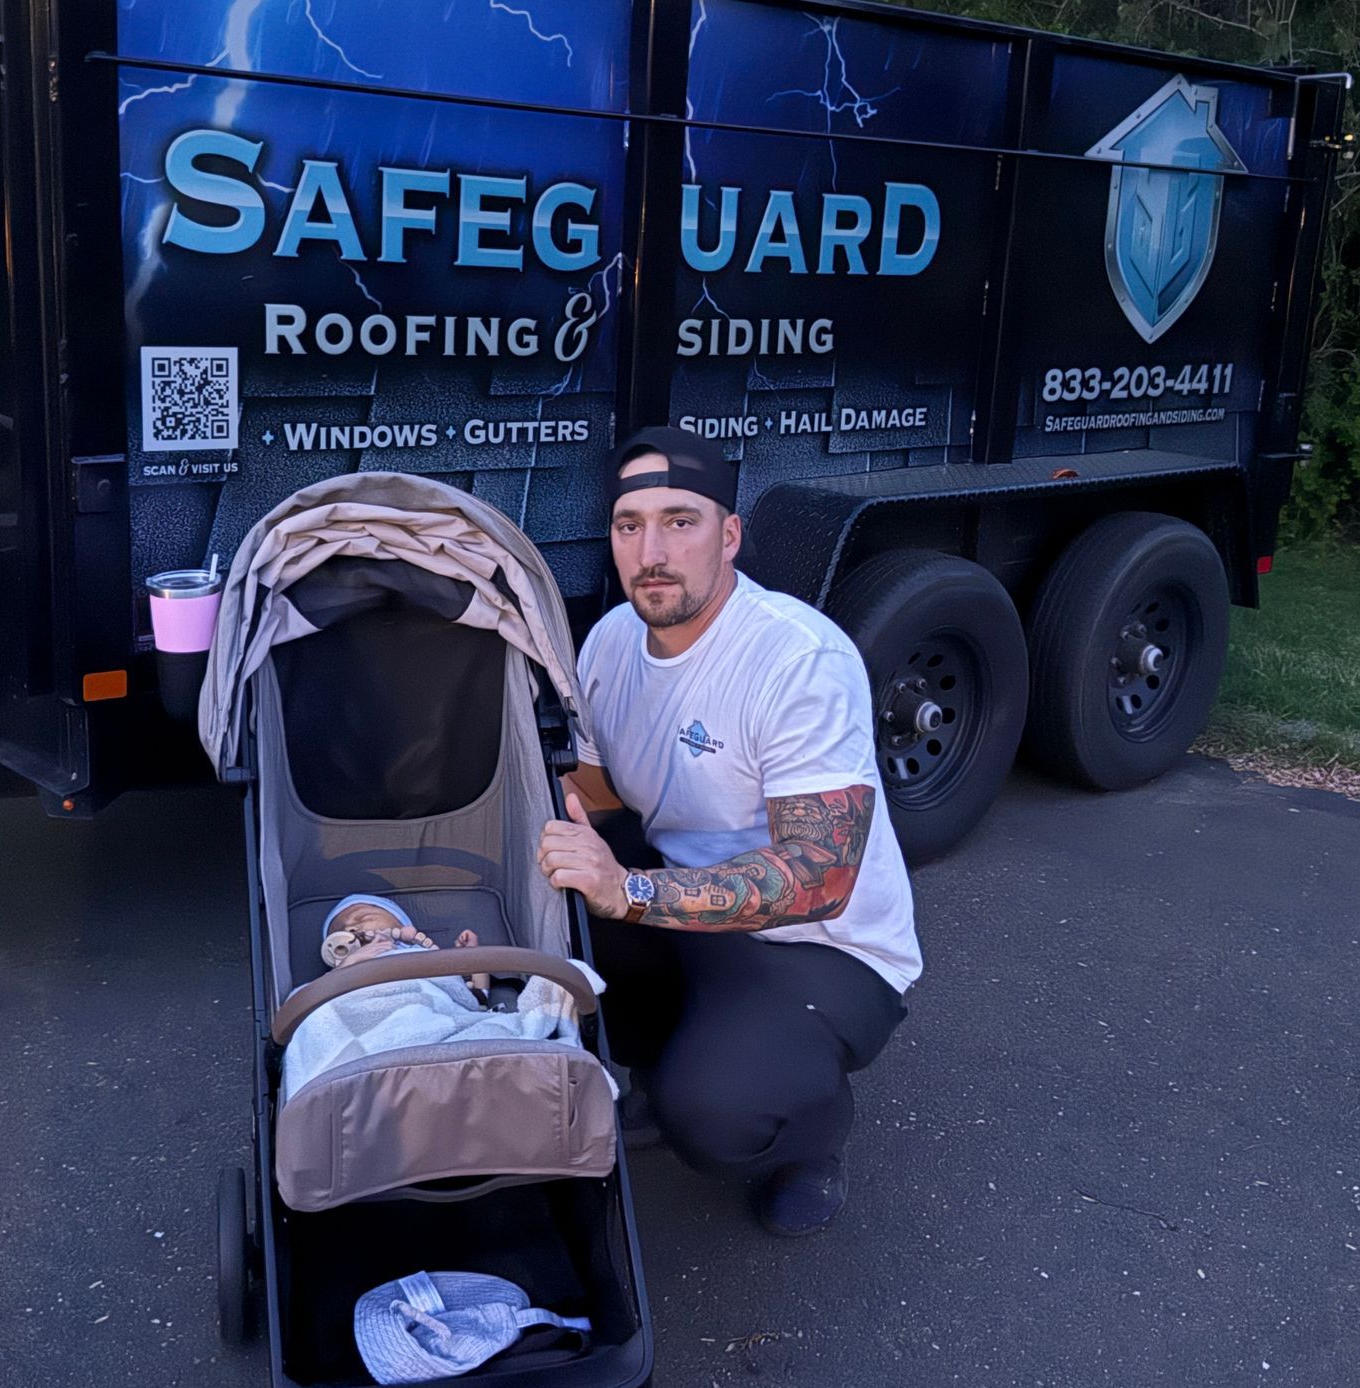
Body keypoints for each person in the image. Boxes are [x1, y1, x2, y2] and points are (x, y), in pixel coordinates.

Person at [537, 426, 920, 1236]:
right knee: (555, 886)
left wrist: (628, 889)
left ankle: (810, 1134)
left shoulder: (797, 659)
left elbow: (817, 873)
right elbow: (606, 786)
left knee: (715, 1109)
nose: (652, 551)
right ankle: (658, 1068)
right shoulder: (610, 640)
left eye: (681, 521)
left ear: (730, 535)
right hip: (692, 905)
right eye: (629, 525)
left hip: (827, 948)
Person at [282, 894, 593, 1096]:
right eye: (343, 926)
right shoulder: (336, 973)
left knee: (486, 1024)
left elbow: (474, 1000)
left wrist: (475, 961)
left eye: (367, 915)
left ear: (403, 926)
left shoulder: (422, 956)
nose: (354, 923)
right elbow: (309, 1009)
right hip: (357, 1012)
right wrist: (347, 969)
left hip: (424, 1010)